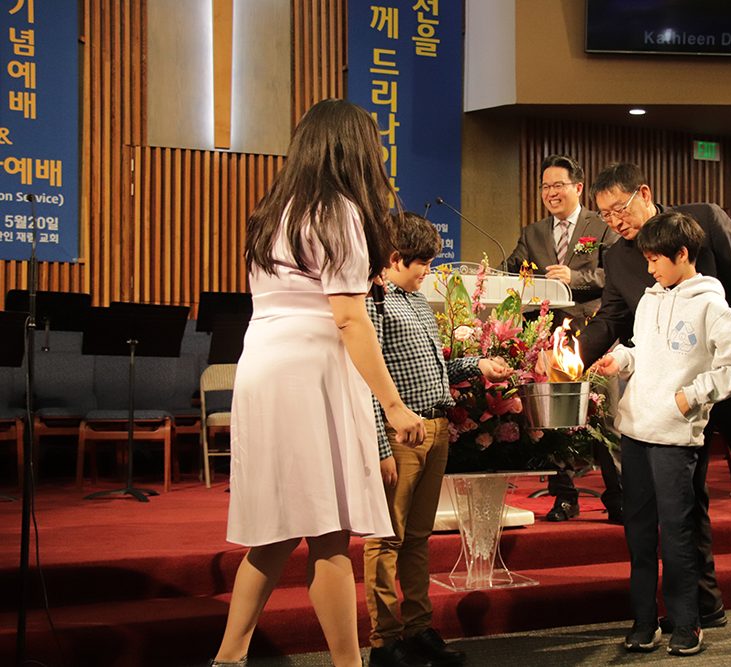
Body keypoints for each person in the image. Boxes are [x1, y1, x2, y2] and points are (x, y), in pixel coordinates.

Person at [211, 99, 425, 667]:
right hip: (310, 369)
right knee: (329, 533)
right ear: (354, 150)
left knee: (277, 532)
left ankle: (228, 658)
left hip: (263, 362)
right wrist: (394, 407)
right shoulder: (339, 211)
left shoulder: (274, 210)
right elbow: (350, 318)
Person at [577, 162, 731, 652]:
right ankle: (704, 605)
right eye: (604, 216)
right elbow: (613, 317)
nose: (615, 222)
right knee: (687, 505)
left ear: (645, 193)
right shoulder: (620, 256)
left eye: (620, 209)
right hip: (678, 402)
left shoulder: (703, 219)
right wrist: (569, 358)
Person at [592, 211, 731, 656]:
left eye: (655, 260)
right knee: (639, 533)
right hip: (635, 429)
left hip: (675, 437)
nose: (649, 269)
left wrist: (694, 395)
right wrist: (621, 360)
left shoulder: (710, 305)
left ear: (682, 254)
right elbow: (645, 352)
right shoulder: (650, 301)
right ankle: (645, 621)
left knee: (678, 534)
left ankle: (687, 622)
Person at [364, 213, 512, 667]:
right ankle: (384, 641)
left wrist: (477, 365)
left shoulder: (418, 302)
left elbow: (434, 371)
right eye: (422, 263)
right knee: (386, 539)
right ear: (395, 258)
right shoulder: (374, 302)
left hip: (435, 427)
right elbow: (365, 379)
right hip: (399, 433)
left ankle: (417, 629)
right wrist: (379, 445)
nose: (427, 271)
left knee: (417, 537)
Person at [501, 154, 623, 524]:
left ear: (578, 187)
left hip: (594, 334)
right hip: (550, 341)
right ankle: (565, 497)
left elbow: (615, 274)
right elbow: (513, 269)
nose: (551, 193)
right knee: (555, 421)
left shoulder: (599, 225)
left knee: (605, 417)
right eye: (545, 187)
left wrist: (575, 277)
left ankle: (619, 497)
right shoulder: (533, 233)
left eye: (558, 185)